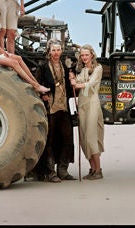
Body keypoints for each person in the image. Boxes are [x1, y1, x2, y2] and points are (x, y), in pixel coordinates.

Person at [0, 2, 49, 94]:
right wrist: (3, 53)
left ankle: (36, 82)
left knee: (18, 58)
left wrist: (5, 50)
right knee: (13, 63)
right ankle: (35, 86)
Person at [34, 39, 76, 182]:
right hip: (50, 108)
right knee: (49, 140)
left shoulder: (65, 66)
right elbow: (36, 84)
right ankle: (50, 172)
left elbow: (70, 88)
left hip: (63, 107)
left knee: (68, 138)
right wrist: (42, 95)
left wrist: (72, 80)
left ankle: (63, 170)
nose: (56, 53)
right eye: (53, 50)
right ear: (49, 51)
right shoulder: (43, 66)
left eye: (58, 50)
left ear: (61, 51)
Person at [69, 44, 105, 180]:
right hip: (82, 104)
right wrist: (73, 78)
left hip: (92, 104)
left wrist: (77, 84)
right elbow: (77, 81)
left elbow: (91, 83)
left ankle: (98, 170)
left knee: (91, 137)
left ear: (92, 55)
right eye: (82, 55)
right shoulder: (83, 70)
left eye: (86, 55)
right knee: (84, 139)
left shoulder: (98, 68)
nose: (84, 57)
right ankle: (93, 169)